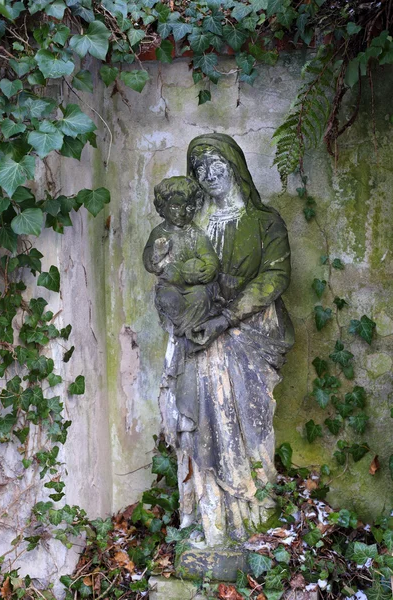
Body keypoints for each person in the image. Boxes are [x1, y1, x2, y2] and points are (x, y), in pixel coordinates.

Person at [157, 134, 294, 546]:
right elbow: (169, 272)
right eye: (198, 167)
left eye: (215, 163)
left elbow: (275, 277)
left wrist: (227, 316)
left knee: (246, 423)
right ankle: (207, 514)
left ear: (234, 165)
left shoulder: (265, 222)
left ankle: (250, 515)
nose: (208, 174)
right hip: (198, 332)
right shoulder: (190, 224)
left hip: (250, 331)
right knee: (197, 415)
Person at [143, 176, 223, 343]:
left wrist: (210, 268)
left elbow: (209, 256)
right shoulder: (158, 233)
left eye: (189, 207)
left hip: (194, 286)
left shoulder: (195, 234)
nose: (182, 212)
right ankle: (183, 331)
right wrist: (157, 253)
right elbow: (149, 263)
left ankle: (193, 331)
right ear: (162, 207)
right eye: (175, 206)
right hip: (170, 286)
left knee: (201, 297)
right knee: (167, 299)